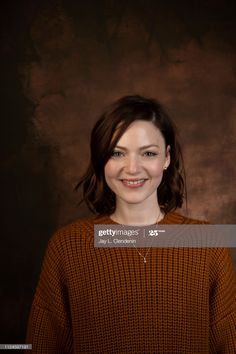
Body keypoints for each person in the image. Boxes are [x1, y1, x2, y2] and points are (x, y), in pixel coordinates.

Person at [26, 95, 236, 353]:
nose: (133, 168)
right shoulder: (67, 245)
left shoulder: (209, 242)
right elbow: (40, 346)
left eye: (148, 153)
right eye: (117, 153)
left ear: (166, 158)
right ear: (102, 159)